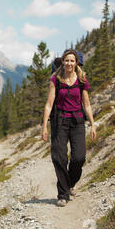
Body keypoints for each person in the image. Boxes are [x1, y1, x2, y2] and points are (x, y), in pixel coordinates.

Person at [41, 49, 96, 207]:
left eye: (72, 61)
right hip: (59, 121)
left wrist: (92, 124)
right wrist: (44, 126)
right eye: (67, 61)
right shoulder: (55, 79)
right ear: (62, 62)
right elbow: (49, 104)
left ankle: (70, 183)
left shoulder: (81, 80)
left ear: (76, 63)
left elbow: (86, 104)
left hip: (77, 121)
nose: (69, 63)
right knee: (59, 158)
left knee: (79, 158)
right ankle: (63, 194)